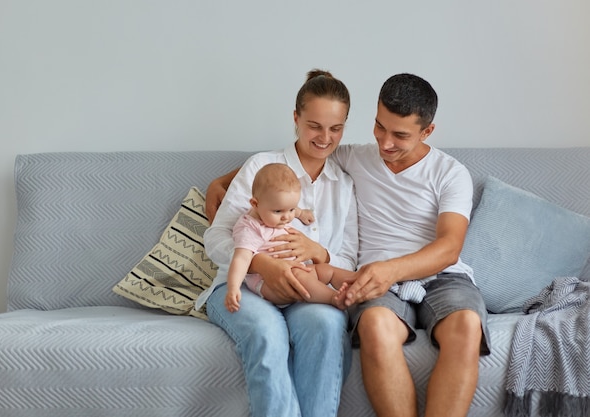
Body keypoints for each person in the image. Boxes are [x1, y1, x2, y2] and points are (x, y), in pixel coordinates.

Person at [205, 73, 491, 417]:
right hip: (286, 284)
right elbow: (282, 167)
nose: (385, 143)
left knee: (334, 327)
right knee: (313, 331)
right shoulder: (334, 161)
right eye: (379, 127)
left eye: (400, 135)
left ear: (427, 131)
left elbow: (439, 248)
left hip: (356, 283)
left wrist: (334, 258)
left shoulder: (428, 173)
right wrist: (223, 183)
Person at [195, 69, 358, 417]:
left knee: (327, 326)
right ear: (296, 119)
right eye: (314, 125)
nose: (325, 137)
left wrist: (320, 253)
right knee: (266, 332)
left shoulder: (343, 185)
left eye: (336, 128)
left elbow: (348, 256)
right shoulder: (261, 167)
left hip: (306, 290)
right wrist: (263, 265)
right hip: (245, 289)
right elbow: (216, 237)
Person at [226, 162, 355, 313]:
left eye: (292, 209)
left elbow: (286, 206)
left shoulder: (275, 208)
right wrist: (233, 288)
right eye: (278, 211)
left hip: (297, 269)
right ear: (255, 204)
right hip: (271, 284)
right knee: (300, 275)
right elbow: (241, 259)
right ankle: (334, 298)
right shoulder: (250, 228)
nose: (287, 217)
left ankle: (358, 285)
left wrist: (300, 213)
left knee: (327, 270)